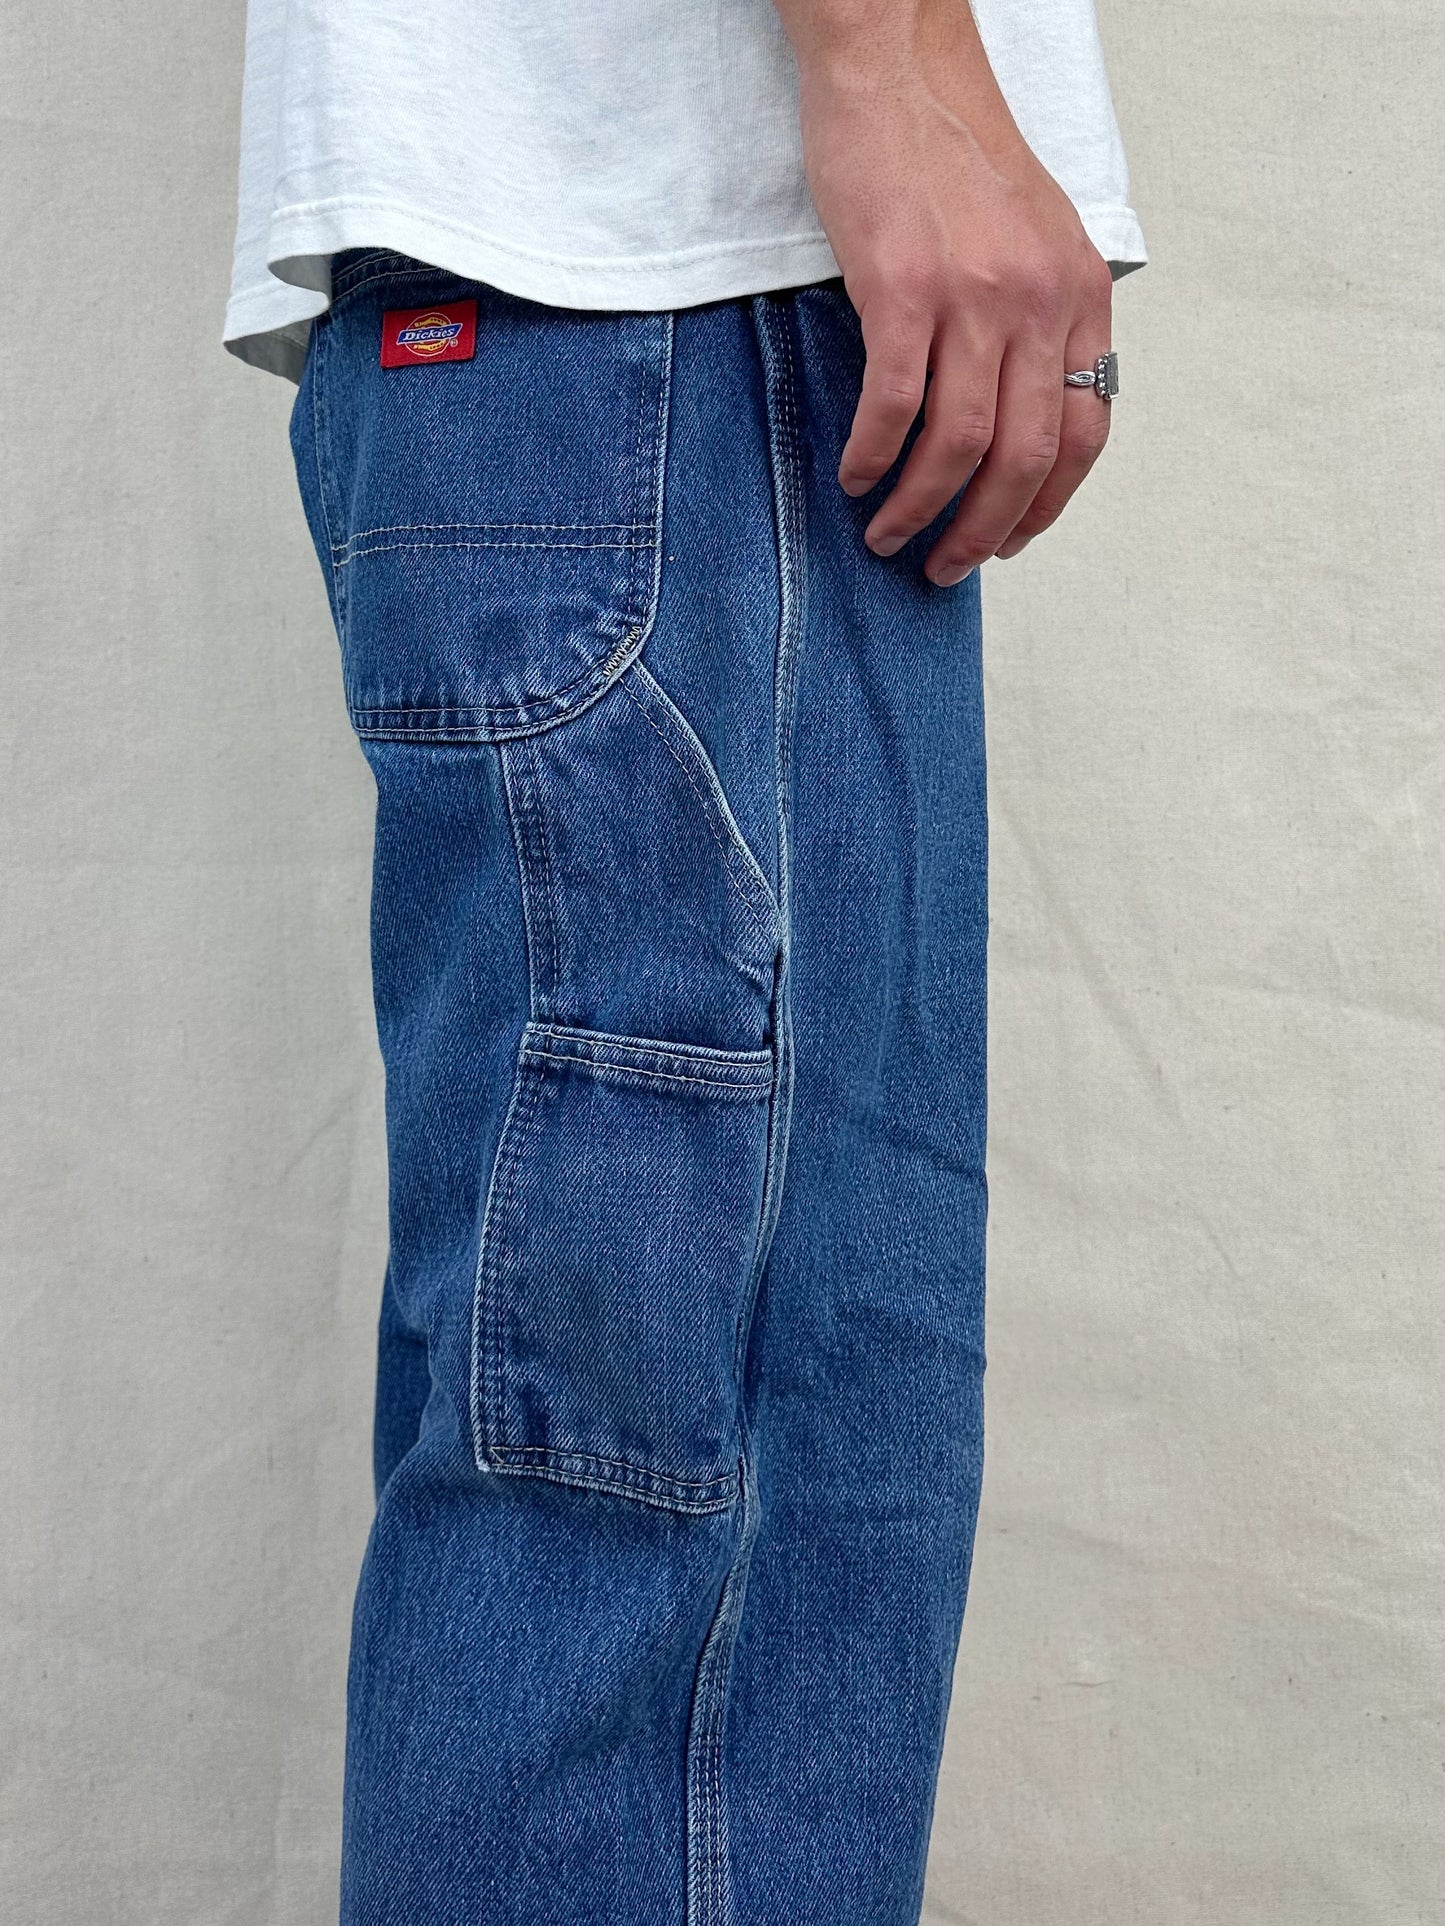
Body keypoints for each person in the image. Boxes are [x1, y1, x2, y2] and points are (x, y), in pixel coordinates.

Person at [224, 1, 1144, 1919]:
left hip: (627, 324)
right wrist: (891, 62)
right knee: (675, 1544)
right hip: (671, 299)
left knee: (677, 1499)